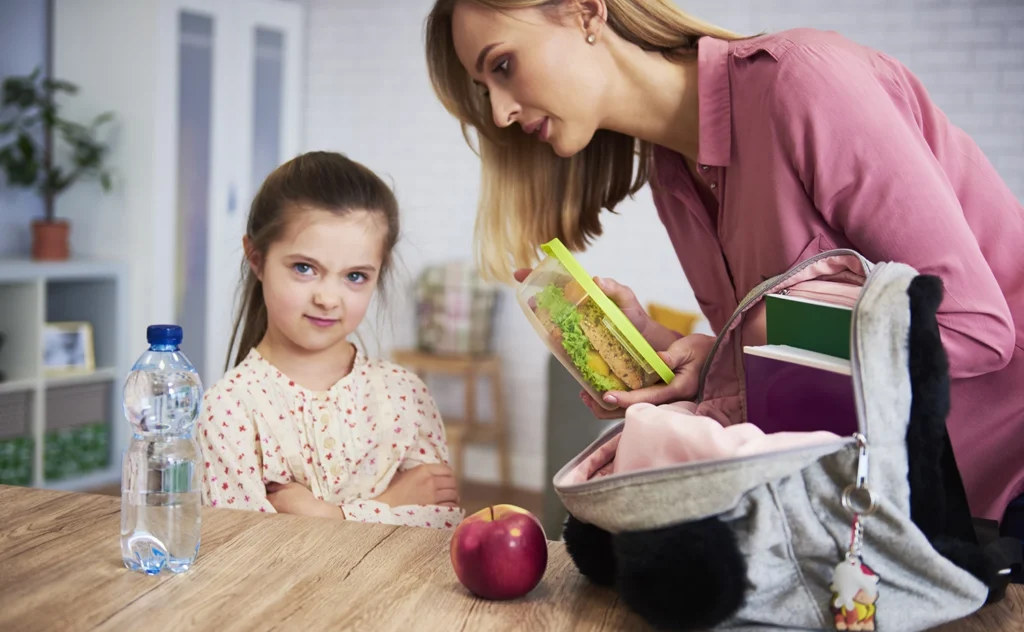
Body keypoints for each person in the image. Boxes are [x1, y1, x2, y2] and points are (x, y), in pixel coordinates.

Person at [424, 0, 1024, 527]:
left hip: (1003, 487)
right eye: (485, 88)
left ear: (585, 10)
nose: (500, 111)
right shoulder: (673, 178)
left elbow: (975, 329)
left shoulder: (807, 82)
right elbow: (802, 365)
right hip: (898, 509)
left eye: (502, 65)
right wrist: (705, 358)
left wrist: (757, 343)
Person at [198, 151, 464, 529]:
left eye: (355, 276)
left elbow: (438, 534)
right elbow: (245, 556)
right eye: (304, 268)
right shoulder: (230, 410)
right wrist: (390, 504)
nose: (328, 298)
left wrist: (328, 516)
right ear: (256, 259)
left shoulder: (406, 395)